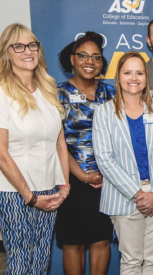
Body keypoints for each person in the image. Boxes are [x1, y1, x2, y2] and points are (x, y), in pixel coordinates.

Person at [0, 23, 70, 274]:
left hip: (50, 190)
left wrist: (64, 185)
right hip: (14, 193)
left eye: (32, 45)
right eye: (18, 46)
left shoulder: (48, 91)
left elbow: (60, 144)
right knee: (21, 264)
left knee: (40, 263)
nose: (27, 51)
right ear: (6, 53)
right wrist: (30, 197)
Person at [92, 51, 153, 275]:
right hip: (124, 196)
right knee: (131, 260)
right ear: (119, 77)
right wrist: (137, 193)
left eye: (139, 72)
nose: (134, 78)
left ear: (146, 77)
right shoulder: (104, 113)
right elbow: (105, 158)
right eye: (128, 72)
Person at [54, 31, 116, 275]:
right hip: (71, 178)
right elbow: (56, 142)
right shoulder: (57, 95)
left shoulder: (112, 94)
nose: (90, 61)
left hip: (107, 180)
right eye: (83, 56)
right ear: (72, 59)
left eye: (96, 57)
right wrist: (82, 176)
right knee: (74, 242)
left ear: (102, 63)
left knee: (101, 240)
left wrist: (104, 174)